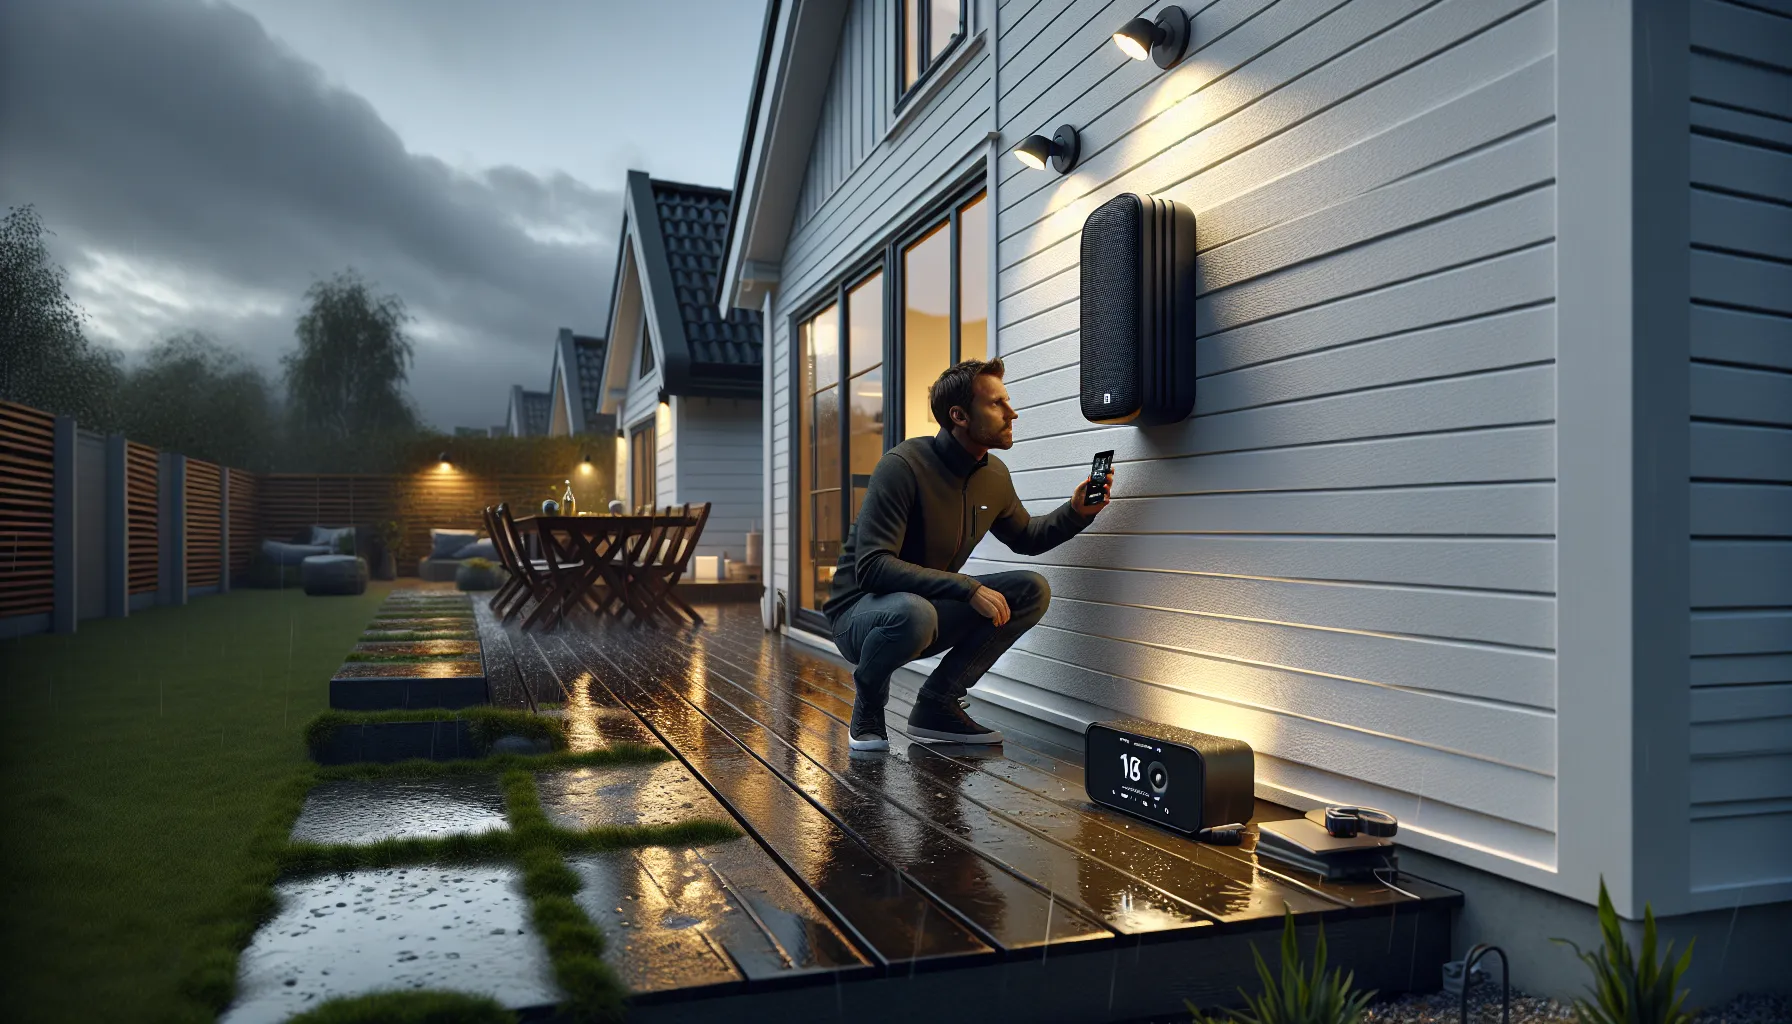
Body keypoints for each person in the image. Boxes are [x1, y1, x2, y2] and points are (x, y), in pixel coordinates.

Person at [823, 357, 1114, 751]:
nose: (1012, 413)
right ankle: (869, 707)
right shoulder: (902, 466)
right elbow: (872, 568)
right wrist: (965, 587)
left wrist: (1077, 512)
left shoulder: (993, 475)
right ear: (959, 415)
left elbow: (1027, 536)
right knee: (915, 613)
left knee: (1030, 590)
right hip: (858, 614)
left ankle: (937, 705)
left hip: (922, 605)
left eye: (1007, 402)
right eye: (997, 404)